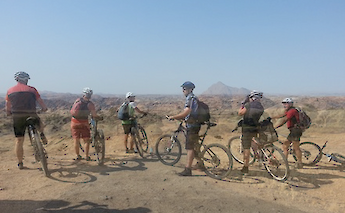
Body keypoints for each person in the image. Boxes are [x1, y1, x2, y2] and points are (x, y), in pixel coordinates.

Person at [6, 71, 48, 169]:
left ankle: (20, 163)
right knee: (39, 123)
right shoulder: (32, 90)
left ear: (17, 80)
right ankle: (41, 134)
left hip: (18, 117)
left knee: (19, 140)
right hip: (31, 114)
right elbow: (40, 101)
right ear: (26, 80)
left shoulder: (9, 91)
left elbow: (8, 107)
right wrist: (44, 108)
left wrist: (9, 113)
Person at [167, 81, 202, 176]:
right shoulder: (194, 98)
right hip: (196, 124)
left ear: (190, 89)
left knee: (189, 147)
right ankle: (200, 163)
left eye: (185, 89)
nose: (183, 90)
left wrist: (174, 117)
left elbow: (187, 112)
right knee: (194, 144)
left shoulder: (190, 98)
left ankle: (188, 169)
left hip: (192, 125)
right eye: (183, 88)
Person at [238, 90, 264, 174]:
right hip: (255, 127)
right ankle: (257, 155)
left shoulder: (248, 105)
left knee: (246, 148)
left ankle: (245, 167)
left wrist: (242, 105)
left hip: (247, 129)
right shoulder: (261, 106)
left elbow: (240, 113)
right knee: (253, 140)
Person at [272, 98, 303, 169]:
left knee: (296, 147)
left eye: (286, 103)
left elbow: (285, 119)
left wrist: (275, 127)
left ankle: (300, 163)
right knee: (285, 145)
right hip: (293, 131)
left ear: (291, 104)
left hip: (295, 131)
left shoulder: (292, 111)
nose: (284, 105)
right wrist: (272, 117)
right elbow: (282, 115)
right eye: (284, 103)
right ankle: (285, 160)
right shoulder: (289, 110)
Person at [70, 87, 99, 161]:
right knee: (86, 140)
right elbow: (94, 114)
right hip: (84, 123)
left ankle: (77, 155)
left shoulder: (77, 100)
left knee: (76, 140)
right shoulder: (90, 104)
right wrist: (97, 117)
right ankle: (86, 156)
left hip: (74, 122)